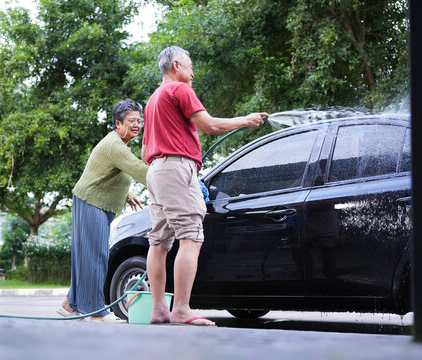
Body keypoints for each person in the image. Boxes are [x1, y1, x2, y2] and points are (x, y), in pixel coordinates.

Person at [142, 46, 268, 326]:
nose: (193, 72)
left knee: (159, 242)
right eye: (190, 66)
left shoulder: (152, 100)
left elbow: (143, 153)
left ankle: (160, 309)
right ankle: (182, 309)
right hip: (175, 168)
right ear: (176, 65)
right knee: (191, 236)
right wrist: (246, 121)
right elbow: (209, 126)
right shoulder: (180, 90)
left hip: (155, 170)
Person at [57, 99, 148, 322]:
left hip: (92, 200)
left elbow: (107, 173)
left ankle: (70, 305)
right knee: (95, 257)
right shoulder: (116, 145)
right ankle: (96, 311)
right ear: (118, 123)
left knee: (87, 257)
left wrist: (127, 195)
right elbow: (138, 169)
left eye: (140, 120)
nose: (137, 125)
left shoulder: (118, 144)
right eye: (131, 121)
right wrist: (170, 180)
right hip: (92, 202)